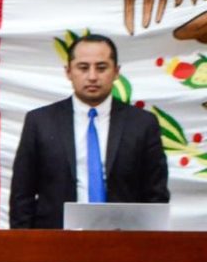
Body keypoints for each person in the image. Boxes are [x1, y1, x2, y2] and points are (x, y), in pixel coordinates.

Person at [9, 34, 169, 229]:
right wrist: (25, 250)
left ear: (116, 72)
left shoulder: (142, 123)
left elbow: (156, 195)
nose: (92, 76)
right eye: (83, 68)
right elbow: (21, 196)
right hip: (54, 244)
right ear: (68, 72)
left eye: (101, 68)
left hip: (125, 244)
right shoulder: (40, 122)